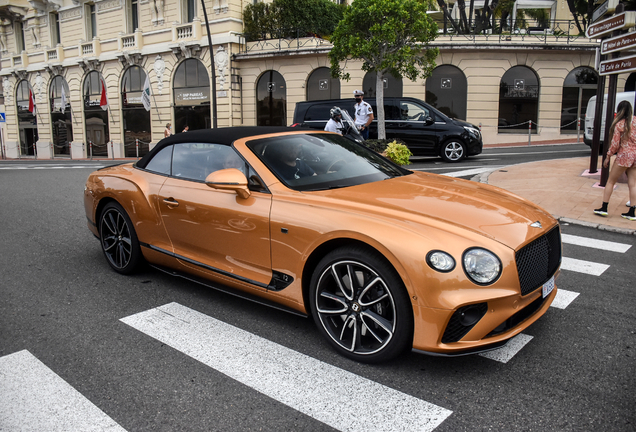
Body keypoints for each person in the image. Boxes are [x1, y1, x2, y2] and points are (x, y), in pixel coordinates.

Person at [593, 100, 636, 221]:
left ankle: (604, 208)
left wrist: (608, 156)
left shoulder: (620, 124)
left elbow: (615, 144)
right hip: (635, 156)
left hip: (624, 156)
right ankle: (632, 212)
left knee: (611, 181)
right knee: (633, 184)